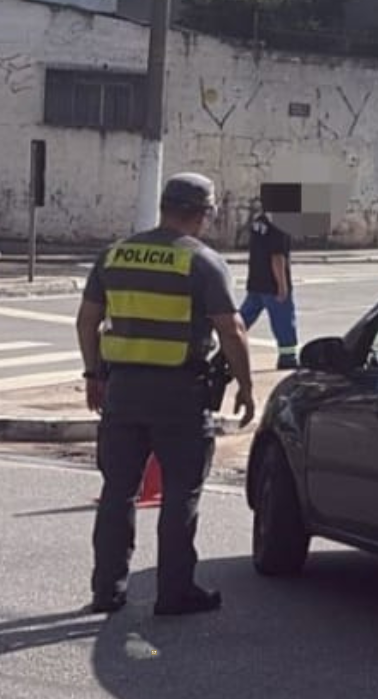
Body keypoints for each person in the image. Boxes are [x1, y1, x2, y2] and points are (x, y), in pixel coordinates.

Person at [76, 172, 256, 617]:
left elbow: (86, 321)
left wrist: (94, 374)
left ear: (163, 206)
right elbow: (231, 330)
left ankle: (107, 590)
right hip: (179, 394)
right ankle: (174, 593)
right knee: (180, 494)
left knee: (118, 492)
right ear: (204, 214)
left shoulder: (115, 255)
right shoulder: (201, 261)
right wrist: (247, 386)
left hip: (122, 392)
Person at [240, 205, 299, 370]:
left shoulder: (258, 222)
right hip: (272, 284)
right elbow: (277, 256)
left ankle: (227, 347)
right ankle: (288, 357)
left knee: (244, 318)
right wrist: (282, 285)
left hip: (256, 280)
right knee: (284, 320)